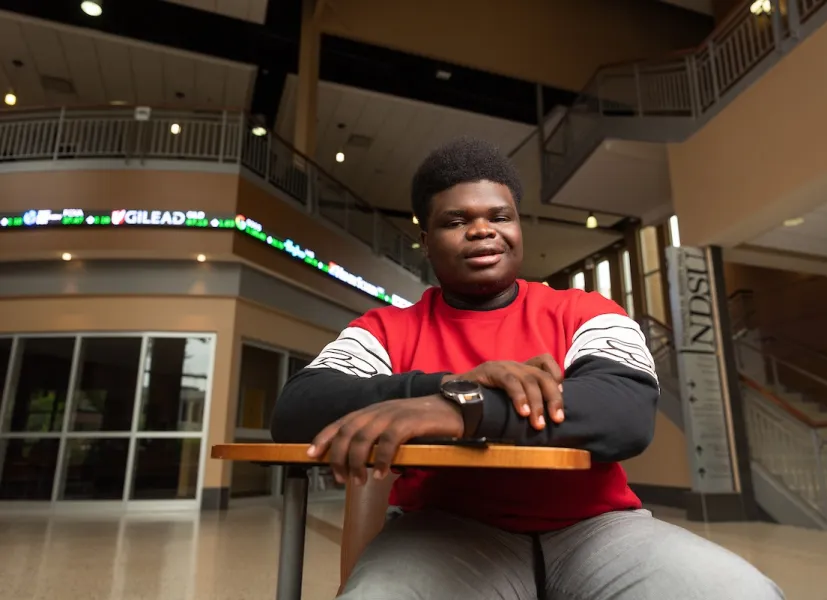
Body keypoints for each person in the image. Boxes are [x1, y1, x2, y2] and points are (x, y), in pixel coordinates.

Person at [271, 138, 783, 599]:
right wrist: (450, 387)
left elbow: (623, 413)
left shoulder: (587, 312)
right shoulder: (385, 329)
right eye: (455, 221)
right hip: (446, 529)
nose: (482, 231)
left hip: (597, 526)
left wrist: (463, 412)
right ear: (423, 237)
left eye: (500, 216)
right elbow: (298, 407)